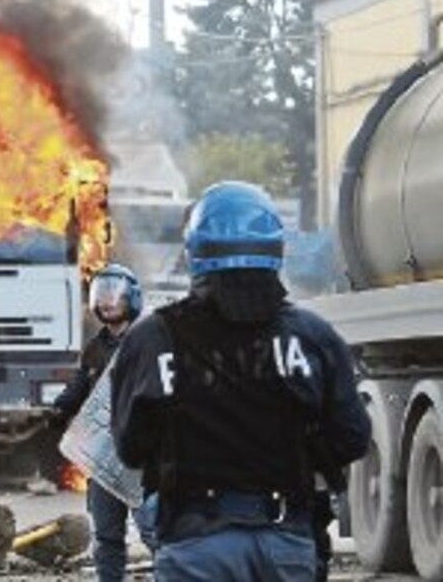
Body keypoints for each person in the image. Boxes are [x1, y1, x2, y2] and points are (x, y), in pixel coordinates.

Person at [110, 181, 371, 582]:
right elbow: (351, 437)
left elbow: (129, 447)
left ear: (194, 252)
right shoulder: (313, 336)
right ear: (274, 251)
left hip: (194, 546)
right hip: (287, 540)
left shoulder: (151, 338)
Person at [49, 263, 143, 582]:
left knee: (157, 533)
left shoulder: (149, 339)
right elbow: (81, 384)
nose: (106, 302)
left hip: (143, 456)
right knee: (106, 536)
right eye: (100, 295)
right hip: (103, 454)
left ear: (131, 298)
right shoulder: (95, 347)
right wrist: (59, 409)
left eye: (113, 295)